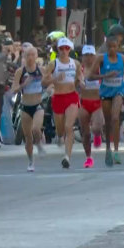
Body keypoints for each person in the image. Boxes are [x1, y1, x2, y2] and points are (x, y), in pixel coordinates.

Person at [89, 36, 124, 166]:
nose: (112, 49)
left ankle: (116, 151)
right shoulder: (101, 59)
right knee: (107, 122)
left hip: (119, 91)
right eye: (109, 47)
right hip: (106, 92)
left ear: (118, 46)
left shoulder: (123, 59)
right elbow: (90, 76)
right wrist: (105, 76)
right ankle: (108, 148)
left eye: (114, 46)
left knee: (115, 118)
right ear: (106, 47)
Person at [41, 37, 82, 169]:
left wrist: (81, 82)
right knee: (60, 129)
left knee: (69, 126)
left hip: (71, 97)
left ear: (70, 49)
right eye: (61, 48)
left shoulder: (75, 63)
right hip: (58, 98)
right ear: (57, 49)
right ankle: (59, 136)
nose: (64, 51)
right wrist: (55, 79)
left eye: (67, 48)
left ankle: (67, 157)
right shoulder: (53, 64)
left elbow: (79, 78)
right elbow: (43, 82)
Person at [10, 46, 45, 171]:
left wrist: (51, 89)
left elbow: (49, 83)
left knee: (36, 129)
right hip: (25, 106)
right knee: (27, 137)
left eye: (32, 55)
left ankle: (40, 143)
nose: (30, 57)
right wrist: (24, 84)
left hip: (38, 105)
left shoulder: (41, 70)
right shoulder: (20, 71)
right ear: (24, 57)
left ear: (36, 56)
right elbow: (14, 89)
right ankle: (31, 161)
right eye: (28, 55)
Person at [77, 45, 103, 169]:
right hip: (84, 103)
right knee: (85, 133)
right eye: (86, 55)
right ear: (82, 57)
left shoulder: (100, 69)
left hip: (98, 103)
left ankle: (98, 135)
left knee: (96, 128)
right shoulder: (80, 70)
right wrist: (78, 83)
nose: (88, 58)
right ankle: (88, 157)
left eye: (91, 55)